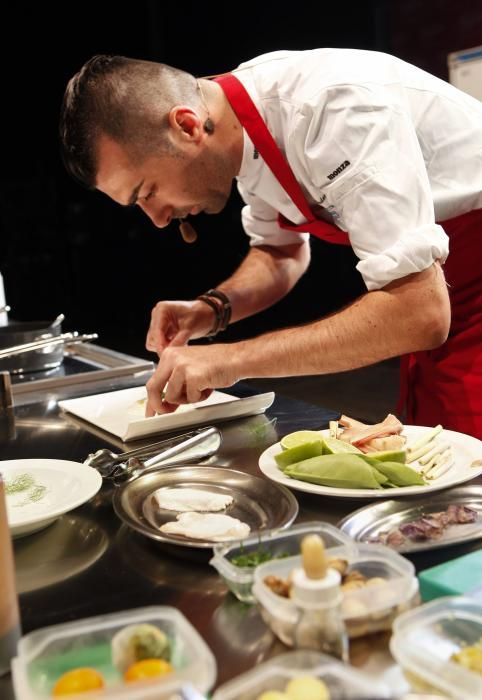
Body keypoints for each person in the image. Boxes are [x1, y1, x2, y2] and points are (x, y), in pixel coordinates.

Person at [59, 49, 482, 438]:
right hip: (442, 294)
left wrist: (227, 361)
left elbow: (419, 314)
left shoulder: (331, 110)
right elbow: (282, 252)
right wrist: (212, 310)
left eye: (147, 191)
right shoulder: (237, 125)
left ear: (186, 126)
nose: (157, 219)